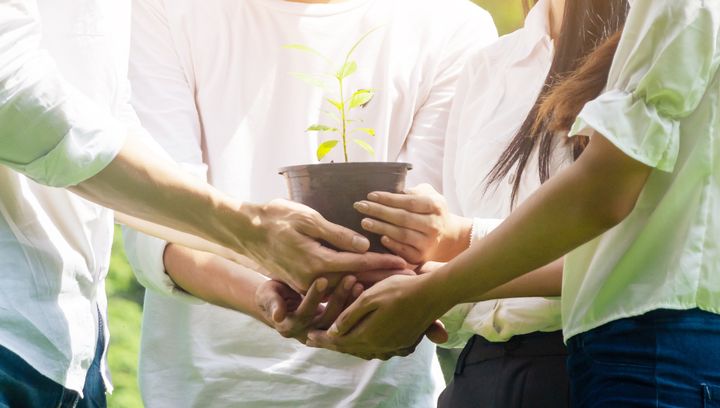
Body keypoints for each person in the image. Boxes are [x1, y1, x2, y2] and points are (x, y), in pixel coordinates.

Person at [309, 0, 720, 405]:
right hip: (484, 368)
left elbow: (609, 217)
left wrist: (439, 276)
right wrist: (403, 280)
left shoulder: (661, 24)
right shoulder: (487, 67)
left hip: (618, 357)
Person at [0, 0, 405, 406]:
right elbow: (14, 96)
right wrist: (249, 232)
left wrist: (263, 257)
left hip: (67, 355)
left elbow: (105, 128)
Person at [122, 0, 497, 406]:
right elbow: (156, 225)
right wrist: (265, 297)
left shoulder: (451, 25)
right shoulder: (164, 9)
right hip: (205, 387)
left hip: (384, 392)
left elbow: (427, 236)